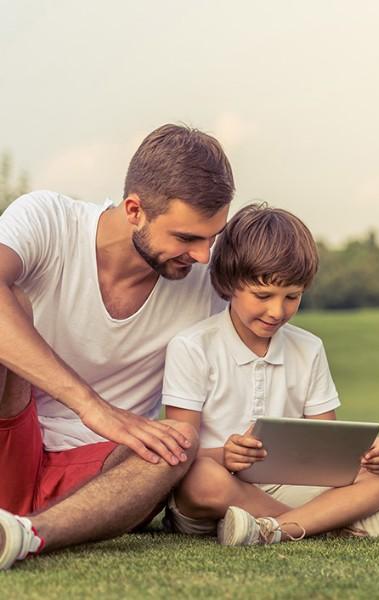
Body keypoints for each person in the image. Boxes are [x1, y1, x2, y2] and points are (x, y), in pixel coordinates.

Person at [0, 124, 235, 569]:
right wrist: (92, 406)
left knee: (178, 442)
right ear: (134, 210)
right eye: (187, 238)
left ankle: (24, 535)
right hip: (9, 429)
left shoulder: (208, 281)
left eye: (213, 236)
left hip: (99, 478)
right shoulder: (49, 220)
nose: (204, 255)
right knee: (11, 300)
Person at [161, 203, 379, 545]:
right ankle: (332, 520)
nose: (277, 311)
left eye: (292, 297)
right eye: (263, 295)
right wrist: (225, 455)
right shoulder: (192, 347)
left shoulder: (308, 348)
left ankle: (273, 529)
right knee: (199, 478)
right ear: (229, 283)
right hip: (219, 492)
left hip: (292, 486)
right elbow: (179, 454)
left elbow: (326, 450)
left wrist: (367, 455)